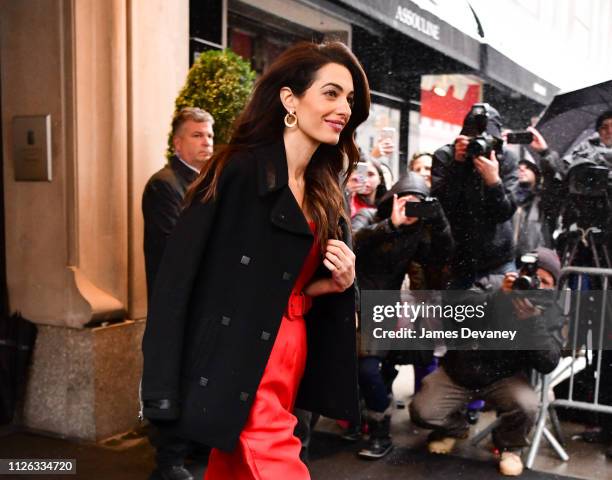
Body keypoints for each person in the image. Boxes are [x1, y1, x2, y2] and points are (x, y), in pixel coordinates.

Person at [141, 41, 370, 480]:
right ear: (290, 98)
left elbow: (291, 279)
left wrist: (337, 282)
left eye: (349, 99)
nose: (343, 107)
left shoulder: (326, 186)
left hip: (295, 349)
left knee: (236, 471)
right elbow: (175, 283)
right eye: (331, 93)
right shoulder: (236, 172)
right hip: (242, 353)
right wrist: (160, 393)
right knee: (276, 464)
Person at [410, 247, 564, 477]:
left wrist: (532, 322)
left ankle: (510, 446)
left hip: (504, 377)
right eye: (534, 278)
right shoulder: (495, 284)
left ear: (553, 288)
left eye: (545, 282)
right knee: (422, 411)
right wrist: (499, 298)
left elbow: (549, 362)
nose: (537, 286)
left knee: (527, 404)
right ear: (521, 273)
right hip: (459, 372)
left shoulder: (551, 311)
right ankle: (457, 428)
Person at [350, 173, 453, 459]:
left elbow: (443, 256)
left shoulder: (418, 235)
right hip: (357, 306)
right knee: (365, 371)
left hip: (391, 311)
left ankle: (380, 433)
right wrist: (390, 225)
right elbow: (354, 243)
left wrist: (439, 219)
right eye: (406, 201)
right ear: (393, 198)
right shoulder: (370, 218)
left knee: (377, 370)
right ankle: (370, 423)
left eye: (418, 205)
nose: (411, 210)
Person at [142, 107, 214, 480]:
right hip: (174, 304)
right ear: (177, 142)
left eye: (209, 136)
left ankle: (194, 445)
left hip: (204, 302)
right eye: (197, 135)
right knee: (170, 378)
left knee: (198, 377)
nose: (206, 142)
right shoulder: (164, 185)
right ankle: (167, 462)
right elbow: (174, 249)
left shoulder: (208, 182)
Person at [432, 103, 519, 289]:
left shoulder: (506, 159)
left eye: (487, 140)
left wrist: (493, 181)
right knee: (459, 316)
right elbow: (442, 207)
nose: (479, 145)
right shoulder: (446, 155)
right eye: (474, 139)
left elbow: (504, 213)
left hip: (499, 259)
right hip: (459, 257)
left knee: (502, 315)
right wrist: (458, 165)